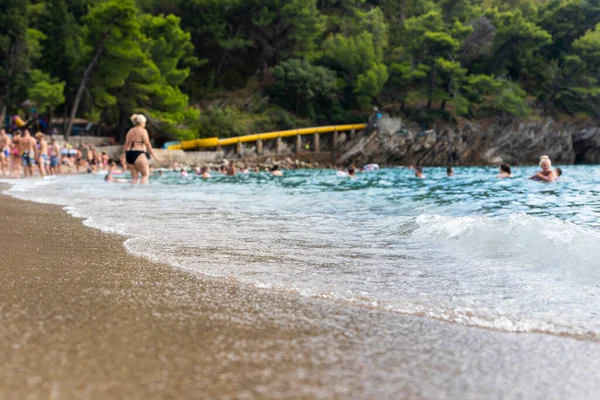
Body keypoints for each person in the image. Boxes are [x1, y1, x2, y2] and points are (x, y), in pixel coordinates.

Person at [122, 114, 159, 184]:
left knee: (134, 177)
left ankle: (132, 193)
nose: (145, 124)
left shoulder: (130, 131)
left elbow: (126, 144)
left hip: (129, 154)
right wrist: (154, 155)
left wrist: (123, 154)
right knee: (145, 175)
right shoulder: (143, 131)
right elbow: (147, 143)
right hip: (139, 153)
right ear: (142, 122)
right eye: (145, 122)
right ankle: (142, 193)